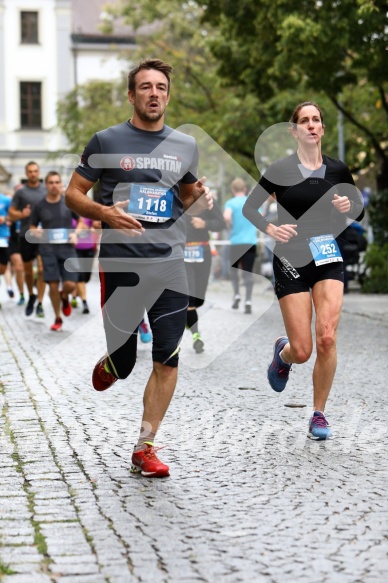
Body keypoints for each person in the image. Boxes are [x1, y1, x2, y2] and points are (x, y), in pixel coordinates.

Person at [65, 59, 212, 478]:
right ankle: (114, 361)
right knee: (128, 362)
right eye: (145, 87)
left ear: (168, 94)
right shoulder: (106, 140)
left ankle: (144, 447)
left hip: (169, 262)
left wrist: (198, 197)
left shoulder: (185, 145)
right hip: (121, 265)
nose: (154, 93)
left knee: (168, 358)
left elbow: (183, 199)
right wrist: (103, 213)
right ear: (131, 95)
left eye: (161, 87)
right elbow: (74, 194)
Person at [243, 101, 364, 440]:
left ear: (322, 129)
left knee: (326, 337)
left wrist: (349, 205)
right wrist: (270, 228)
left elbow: (359, 210)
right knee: (303, 350)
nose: (311, 125)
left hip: (327, 255)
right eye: (304, 121)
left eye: (316, 120)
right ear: (294, 131)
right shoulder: (280, 169)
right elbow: (250, 208)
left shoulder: (338, 170)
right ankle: (283, 354)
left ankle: (318, 414)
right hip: (290, 259)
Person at [29, 172, 79, 331]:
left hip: (67, 249)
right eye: (51, 182)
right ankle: (58, 317)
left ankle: (64, 296)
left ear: (61, 183)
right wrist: (36, 232)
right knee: (52, 285)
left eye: (57, 182)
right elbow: (32, 227)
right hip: (48, 250)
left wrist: (75, 234)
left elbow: (81, 222)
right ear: (46, 185)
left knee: (70, 284)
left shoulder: (68, 202)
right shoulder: (39, 205)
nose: (54, 185)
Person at [184, 197, 225, 352]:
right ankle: (196, 336)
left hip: (203, 252)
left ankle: (188, 318)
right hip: (182, 254)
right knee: (189, 298)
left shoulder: (207, 200)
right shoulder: (175, 198)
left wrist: (205, 224)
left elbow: (221, 223)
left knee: (198, 299)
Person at [9, 162, 47, 317]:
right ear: (26, 173)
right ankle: (31, 294)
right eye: (30, 171)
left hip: (43, 235)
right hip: (26, 235)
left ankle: (40, 303)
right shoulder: (21, 192)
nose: (33, 174)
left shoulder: (45, 190)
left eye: (35, 171)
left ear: (39, 172)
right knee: (28, 271)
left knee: (43, 269)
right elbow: (11, 213)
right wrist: (21, 214)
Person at [224, 177, 258, 314]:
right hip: (250, 242)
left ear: (233, 190)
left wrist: (230, 227)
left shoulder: (230, 203)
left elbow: (226, 217)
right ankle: (248, 300)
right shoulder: (252, 203)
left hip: (236, 242)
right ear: (245, 189)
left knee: (234, 271)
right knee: (248, 273)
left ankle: (237, 294)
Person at [71, 216, 99, 314]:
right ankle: (84, 302)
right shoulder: (71, 213)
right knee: (80, 276)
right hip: (74, 249)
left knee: (86, 277)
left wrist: (87, 227)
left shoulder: (88, 214)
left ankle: (74, 294)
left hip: (89, 248)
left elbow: (97, 229)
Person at [0, 190, 11, 307]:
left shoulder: (6, 199)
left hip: (2, 237)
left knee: (3, 269)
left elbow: (13, 215)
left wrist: (5, 218)